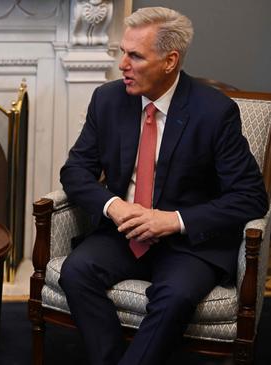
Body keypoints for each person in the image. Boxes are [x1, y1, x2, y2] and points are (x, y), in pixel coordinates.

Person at [58, 7, 268, 365]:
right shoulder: (108, 100)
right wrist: (115, 206)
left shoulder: (215, 112)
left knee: (174, 297)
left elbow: (251, 197)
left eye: (135, 55)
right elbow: (75, 170)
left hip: (188, 244)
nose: (122, 63)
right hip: (123, 232)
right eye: (123, 51)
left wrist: (174, 220)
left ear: (170, 61)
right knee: (75, 272)